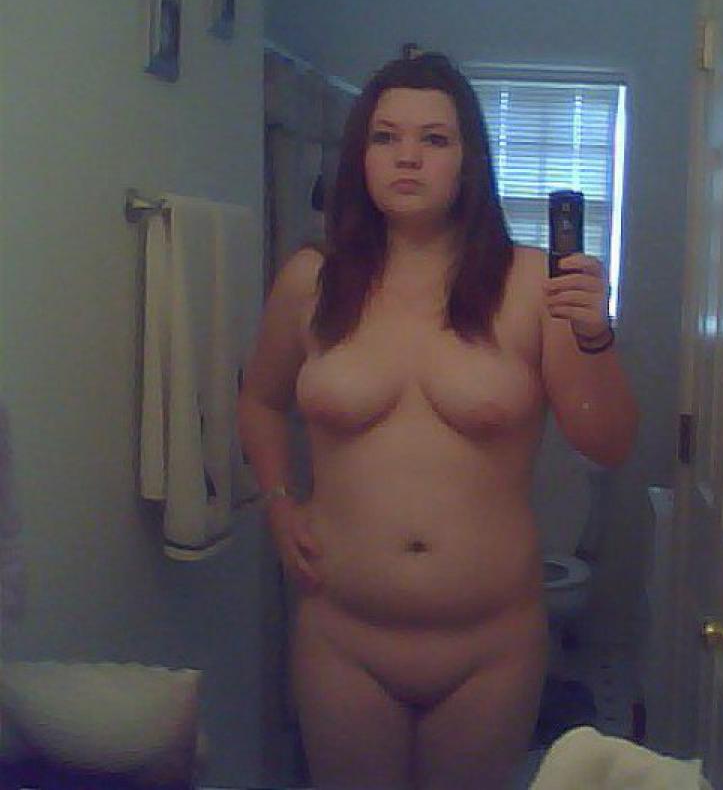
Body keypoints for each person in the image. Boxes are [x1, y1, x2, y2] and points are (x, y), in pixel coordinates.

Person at [237, 52, 639, 790]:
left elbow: (606, 442)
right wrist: (278, 501)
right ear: (360, 156)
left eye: (434, 138)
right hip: (342, 635)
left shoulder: (531, 283)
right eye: (385, 137)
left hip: (490, 646)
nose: (408, 156)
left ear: (468, 160)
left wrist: (594, 335)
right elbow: (259, 400)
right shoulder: (310, 281)